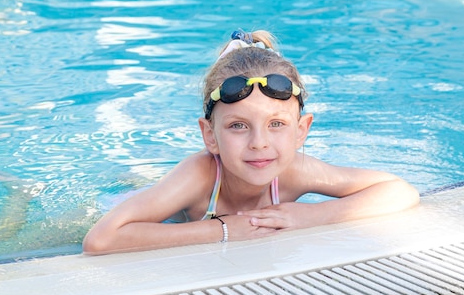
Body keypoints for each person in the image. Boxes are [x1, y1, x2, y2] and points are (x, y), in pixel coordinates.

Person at [82, 29, 419, 255]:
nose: (260, 143)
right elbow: (100, 239)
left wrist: (308, 216)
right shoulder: (200, 175)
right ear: (210, 135)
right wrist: (223, 230)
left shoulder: (294, 171)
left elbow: (400, 191)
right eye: (239, 126)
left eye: (276, 124)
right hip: (115, 207)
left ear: (301, 130)